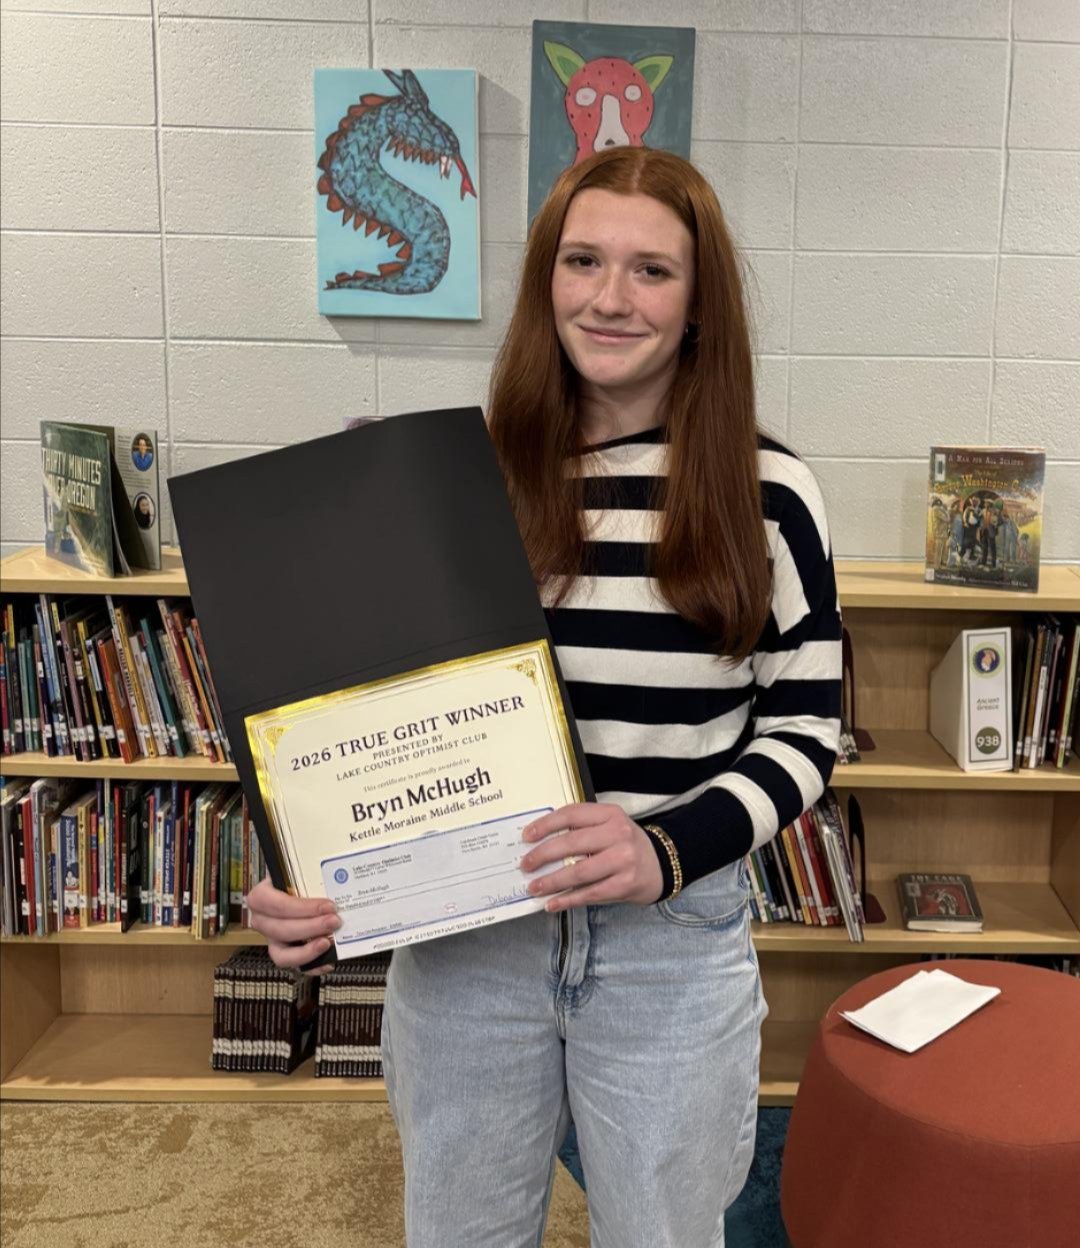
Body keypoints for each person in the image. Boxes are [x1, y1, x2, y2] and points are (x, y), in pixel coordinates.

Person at [242, 147, 842, 1247]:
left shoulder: (771, 492)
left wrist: (667, 848)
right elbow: (354, 714)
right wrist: (312, 876)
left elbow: (807, 727)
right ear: (544, 280)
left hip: (671, 944)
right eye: (582, 261)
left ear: (701, 304)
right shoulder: (450, 482)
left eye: (652, 270)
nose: (611, 298)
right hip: (471, 948)